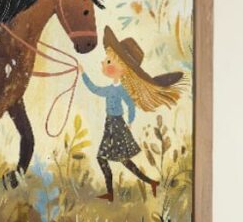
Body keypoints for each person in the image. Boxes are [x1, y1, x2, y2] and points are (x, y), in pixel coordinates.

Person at [79, 25, 184, 200]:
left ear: (122, 68)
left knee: (107, 158)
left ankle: (114, 192)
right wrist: (82, 74)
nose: (103, 63)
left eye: (109, 61)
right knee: (118, 160)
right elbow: (95, 89)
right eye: (106, 60)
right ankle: (147, 183)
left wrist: (130, 121)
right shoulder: (111, 89)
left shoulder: (120, 91)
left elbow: (130, 105)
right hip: (111, 124)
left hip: (117, 125)